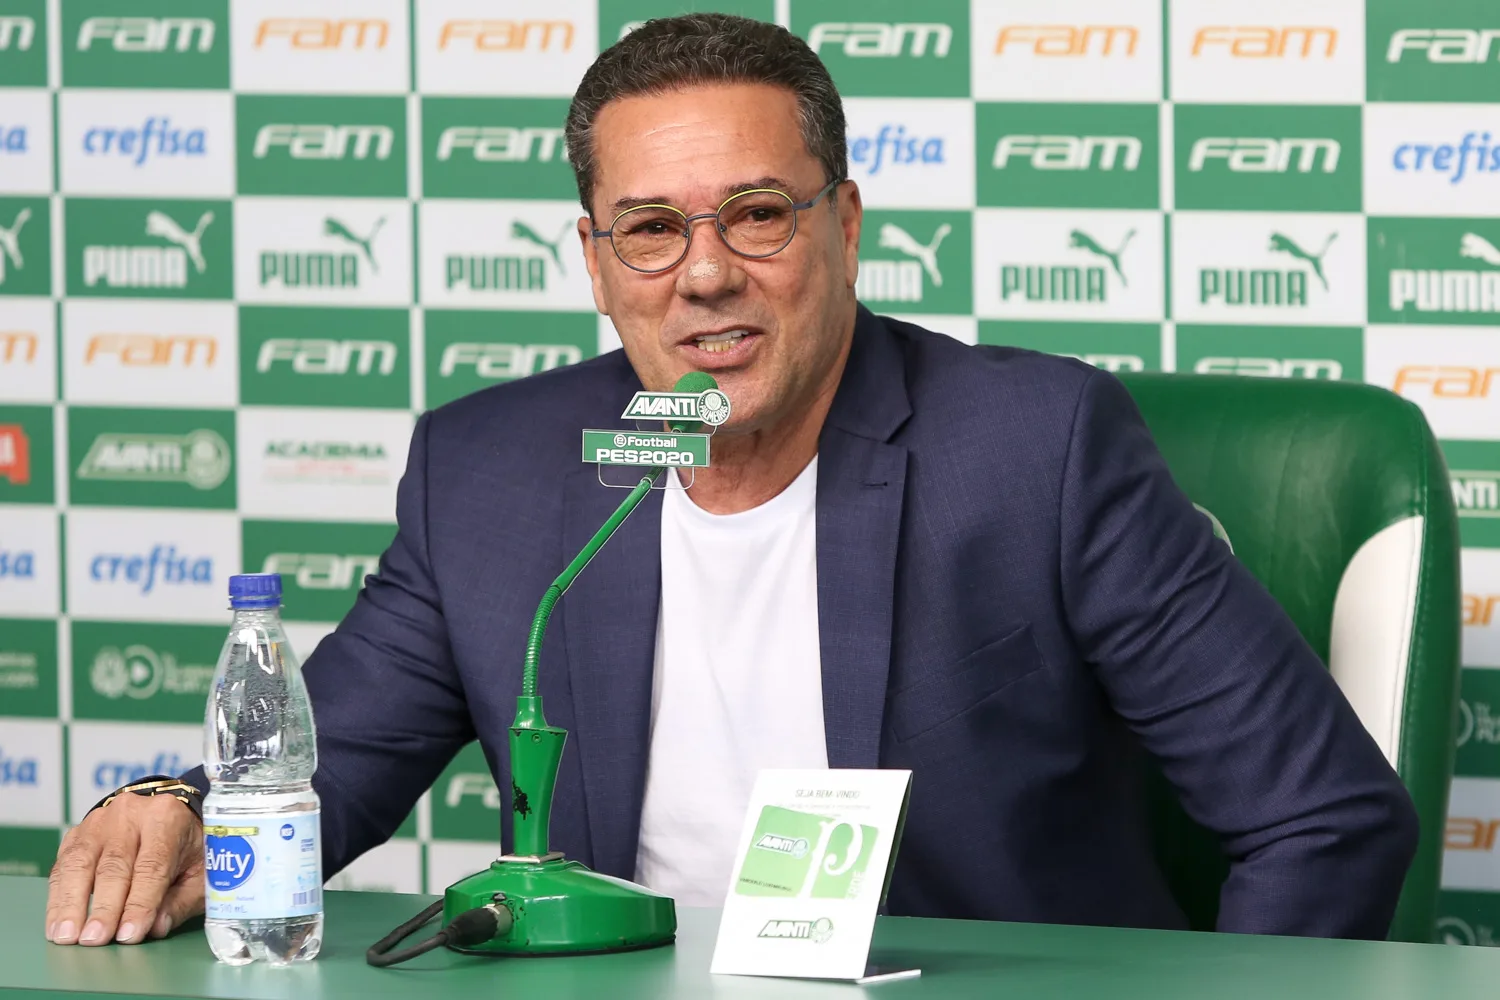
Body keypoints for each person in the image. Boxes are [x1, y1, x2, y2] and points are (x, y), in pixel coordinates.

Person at [44, 14, 1417, 949]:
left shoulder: (1039, 449)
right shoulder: (490, 472)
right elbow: (315, 776)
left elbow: (1325, 819)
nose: (704, 272)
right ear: (596, 260)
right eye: (650, 229)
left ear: (847, 223)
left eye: (756, 213)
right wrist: (172, 805)